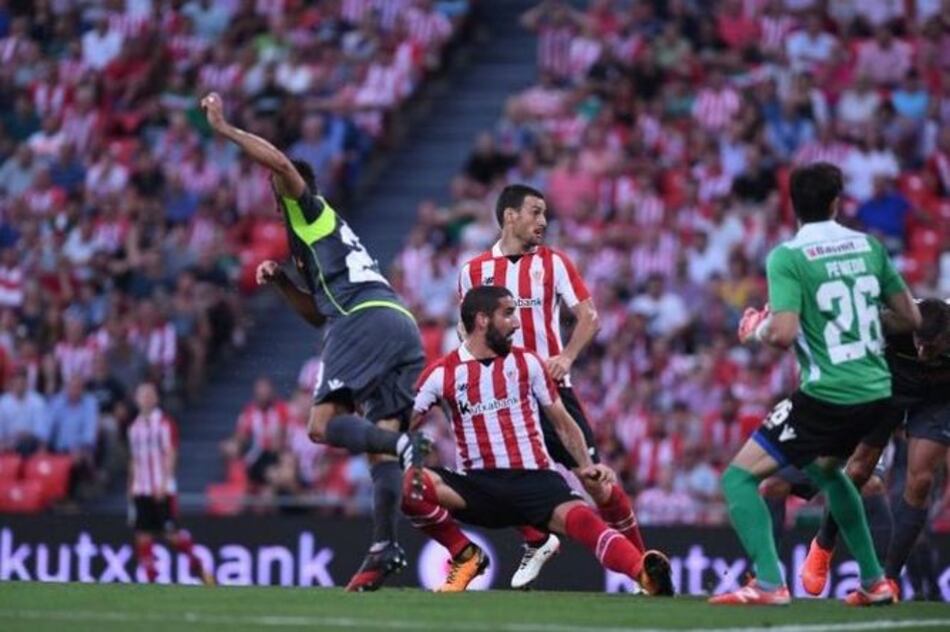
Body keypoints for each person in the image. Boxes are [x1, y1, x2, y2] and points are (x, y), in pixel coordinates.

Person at [201, 92, 428, 592]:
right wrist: (284, 282)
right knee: (380, 450)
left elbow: (281, 160)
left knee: (321, 426)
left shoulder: (310, 209)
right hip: (395, 322)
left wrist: (225, 129)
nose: (273, 189)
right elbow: (316, 315)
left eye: (274, 186)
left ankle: (404, 444)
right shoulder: (311, 245)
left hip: (363, 320)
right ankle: (383, 546)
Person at [709, 162, 921, 606]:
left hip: (829, 395)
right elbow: (910, 318)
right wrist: (859, 325)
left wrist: (754, 330)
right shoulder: (870, 247)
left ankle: (768, 583)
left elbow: (782, 333)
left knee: (738, 478)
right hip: (879, 391)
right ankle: (874, 581)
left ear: (792, 206)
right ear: (835, 203)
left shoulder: (788, 256)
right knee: (826, 471)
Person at [404, 285, 673, 594]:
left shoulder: (528, 362)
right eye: (507, 314)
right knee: (411, 485)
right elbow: (402, 423)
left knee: (585, 521)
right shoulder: (440, 374)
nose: (517, 323)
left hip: (535, 480)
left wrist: (586, 464)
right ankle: (466, 555)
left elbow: (561, 420)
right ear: (481, 320)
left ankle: (645, 575)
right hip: (479, 484)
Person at [458, 184, 645, 589]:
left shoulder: (553, 263)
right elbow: (467, 334)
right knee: (492, 481)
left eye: (545, 214)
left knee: (595, 479)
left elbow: (589, 317)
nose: (543, 221)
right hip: (503, 402)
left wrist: (567, 357)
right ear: (510, 216)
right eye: (535, 212)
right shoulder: (472, 272)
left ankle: (643, 565)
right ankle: (536, 538)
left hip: (551, 396)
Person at [789, 298, 950, 602]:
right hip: (889, 383)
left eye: (932, 347)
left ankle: (885, 581)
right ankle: (823, 543)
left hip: (938, 399)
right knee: (861, 468)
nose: (922, 352)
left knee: (921, 482)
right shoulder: (890, 320)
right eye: (919, 343)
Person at [127, 382, 213, 585]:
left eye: (150, 394)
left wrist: (164, 482)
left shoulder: (165, 424)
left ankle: (198, 567)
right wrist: (130, 487)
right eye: (143, 394)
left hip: (161, 489)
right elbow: (134, 459)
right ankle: (151, 582)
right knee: (143, 537)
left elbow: (171, 453)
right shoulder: (134, 428)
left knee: (171, 536)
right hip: (142, 489)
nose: (146, 398)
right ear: (136, 399)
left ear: (156, 399)